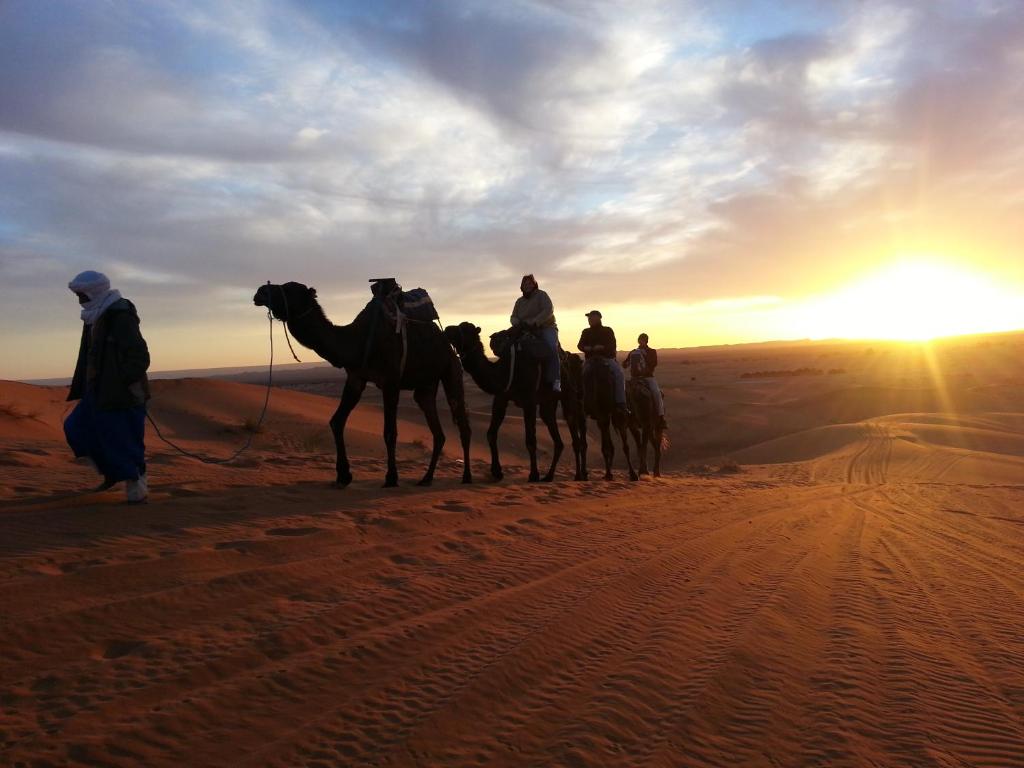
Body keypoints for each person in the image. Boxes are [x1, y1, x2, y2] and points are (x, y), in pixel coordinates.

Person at [64, 271, 151, 503]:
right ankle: (112, 473)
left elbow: (139, 356)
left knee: (124, 439)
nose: (80, 299)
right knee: (78, 428)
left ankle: (136, 486)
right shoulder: (94, 316)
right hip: (97, 390)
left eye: (82, 294)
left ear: (94, 291)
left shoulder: (119, 314)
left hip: (120, 392)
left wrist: (121, 381)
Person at [510, 274, 561, 392]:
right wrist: (517, 323)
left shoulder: (542, 295)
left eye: (530, 283)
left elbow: (548, 309)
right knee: (511, 347)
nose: (527, 286)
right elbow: (513, 316)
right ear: (522, 286)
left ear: (534, 285)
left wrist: (535, 322)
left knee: (551, 347)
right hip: (525, 329)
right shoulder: (519, 301)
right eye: (525, 284)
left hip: (545, 327)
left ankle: (556, 380)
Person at [577, 310, 626, 411]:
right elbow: (580, 345)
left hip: (607, 359)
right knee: (578, 376)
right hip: (590, 360)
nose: (589, 320)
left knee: (619, 374)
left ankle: (621, 402)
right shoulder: (586, 332)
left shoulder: (607, 330)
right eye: (589, 318)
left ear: (598, 318)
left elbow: (612, 345)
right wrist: (586, 348)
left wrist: (602, 347)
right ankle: (581, 402)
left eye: (591, 318)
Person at [624, 333, 668, 430]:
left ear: (646, 341)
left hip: (648, 377)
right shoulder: (633, 352)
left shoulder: (652, 351)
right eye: (639, 339)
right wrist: (627, 362)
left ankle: (661, 418)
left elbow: (653, 364)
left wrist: (645, 356)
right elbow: (625, 363)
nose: (641, 341)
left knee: (656, 393)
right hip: (635, 378)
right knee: (625, 392)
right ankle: (627, 415)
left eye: (643, 340)